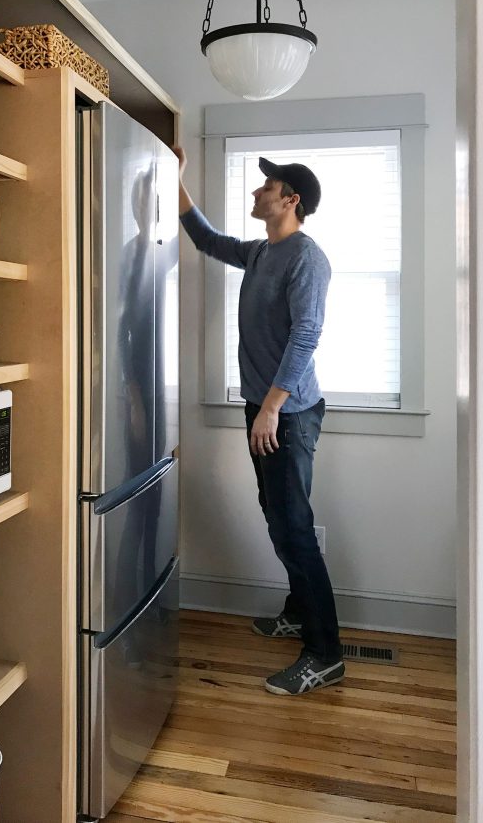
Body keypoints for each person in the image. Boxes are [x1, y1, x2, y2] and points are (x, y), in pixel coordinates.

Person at [173, 146, 344, 696]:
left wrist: (270, 407)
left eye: (266, 187)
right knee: (279, 517)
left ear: (290, 200)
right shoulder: (262, 253)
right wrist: (173, 179)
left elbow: (306, 335)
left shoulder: (306, 258)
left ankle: (325, 654)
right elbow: (205, 239)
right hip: (267, 408)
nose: (255, 191)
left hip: (288, 413)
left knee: (292, 527)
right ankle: (298, 611)